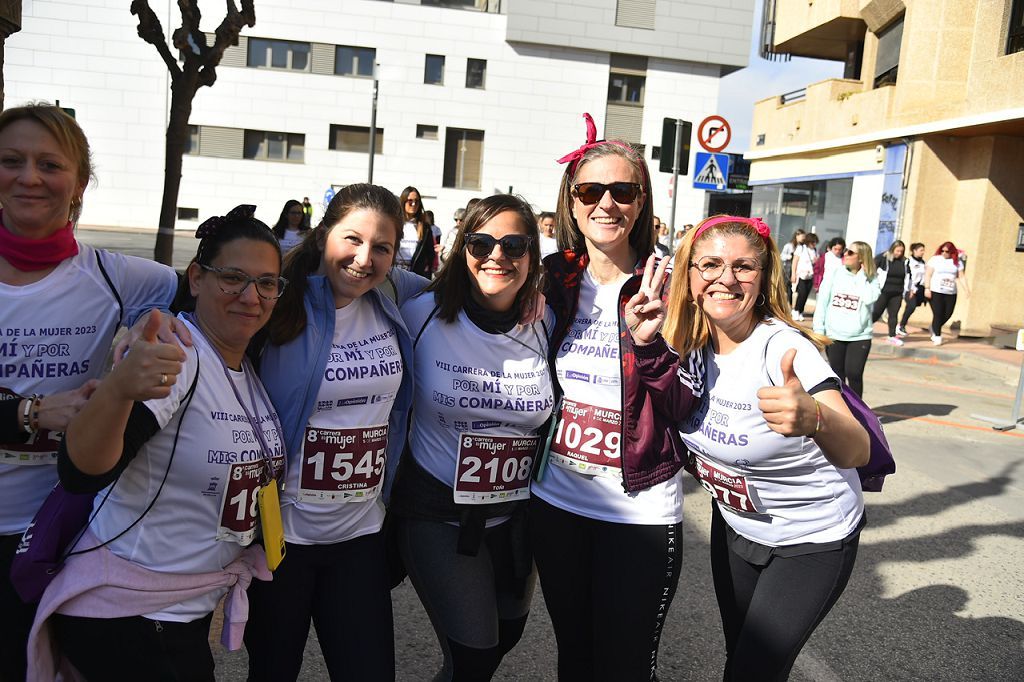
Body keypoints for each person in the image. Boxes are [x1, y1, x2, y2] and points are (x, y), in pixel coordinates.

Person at [33, 206, 287, 680]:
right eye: (233, 278)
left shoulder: (243, 364)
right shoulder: (178, 355)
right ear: (196, 278)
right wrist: (118, 389)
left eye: (267, 283)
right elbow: (84, 471)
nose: (251, 296)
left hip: (178, 613)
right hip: (131, 616)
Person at [0, 103, 180, 681]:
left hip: (67, 530)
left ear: (79, 183)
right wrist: (29, 413)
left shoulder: (122, 277)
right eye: (11, 161)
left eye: (49, 164)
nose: (29, 177)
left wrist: (157, 328)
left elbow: (222, 291)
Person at [656, 215, 869, 681]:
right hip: (735, 528)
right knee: (743, 658)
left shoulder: (783, 349)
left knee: (752, 671)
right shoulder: (688, 347)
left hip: (810, 540)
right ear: (689, 275)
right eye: (709, 264)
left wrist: (814, 416)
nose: (726, 279)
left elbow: (858, 449)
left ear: (764, 276)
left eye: (743, 267)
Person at [530, 113, 691, 680]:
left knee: (624, 666)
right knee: (574, 657)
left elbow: (689, 406)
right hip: (558, 505)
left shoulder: (672, 285)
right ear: (571, 204)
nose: (607, 204)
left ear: (642, 201)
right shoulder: (550, 278)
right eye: (591, 191)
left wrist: (651, 346)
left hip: (640, 511)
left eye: (623, 191)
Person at [243, 184, 425, 681]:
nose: (365, 259)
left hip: (360, 535)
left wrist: (531, 300)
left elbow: (462, 292)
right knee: (273, 670)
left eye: (382, 247)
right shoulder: (277, 299)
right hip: (283, 538)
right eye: (352, 240)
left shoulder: (394, 294)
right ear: (324, 234)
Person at [391, 193, 553, 681]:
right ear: (463, 248)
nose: (497, 256)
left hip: (514, 516)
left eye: (514, 245)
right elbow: (350, 272)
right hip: (436, 511)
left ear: (531, 255)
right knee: (474, 655)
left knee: (504, 639)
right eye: (481, 243)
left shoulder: (546, 318)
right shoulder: (419, 313)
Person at [814, 241, 883, 397]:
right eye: (845, 251)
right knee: (837, 376)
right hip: (834, 334)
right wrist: (819, 330)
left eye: (851, 252)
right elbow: (822, 303)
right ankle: (843, 414)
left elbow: (869, 298)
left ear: (861, 258)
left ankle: (859, 415)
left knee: (854, 374)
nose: (845, 254)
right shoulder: (834, 273)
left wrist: (862, 277)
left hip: (860, 336)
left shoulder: (871, 278)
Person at [924, 240, 970, 346]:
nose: (944, 253)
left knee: (948, 313)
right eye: (942, 251)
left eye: (947, 251)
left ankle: (934, 327)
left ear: (952, 252)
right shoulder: (935, 260)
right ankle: (937, 336)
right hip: (936, 291)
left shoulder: (957, 262)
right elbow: (928, 274)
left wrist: (966, 289)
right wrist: (927, 288)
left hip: (951, 292)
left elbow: (961, 276)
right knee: (938, 313)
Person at [872, 240, 909, 346]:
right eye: (897, 251)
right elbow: (872, 268)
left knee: (893, 314)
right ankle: (862, 329)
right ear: (892, 249)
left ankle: (892, 336)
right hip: (884, 291)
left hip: (897, 293)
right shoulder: (883, 258)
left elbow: (908, 275)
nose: (899, 253)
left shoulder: (905, 261)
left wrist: (909, 289)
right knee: (876, 313)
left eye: (901, 251)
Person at [396, 186, 436, 278]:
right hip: (394, 271)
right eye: (410, 201)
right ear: (403, 201)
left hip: (415, 273)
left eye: (417, 201)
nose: (414, 204)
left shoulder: (424, 227)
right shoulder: (395, 223)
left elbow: (430, 253)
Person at [897, 242, 927, 337]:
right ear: (914, 251)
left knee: (911, 307)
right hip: (909, 288)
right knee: (911, 306)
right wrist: (910, 289)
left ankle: (902, 324)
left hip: (919, 288)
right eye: (921, 250)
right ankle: (901, 325)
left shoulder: (923, 263)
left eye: (923, 250)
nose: (923, 252)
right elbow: (907, 276)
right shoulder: (908, 261)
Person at [790, 231, 817, 321]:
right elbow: (795, 262)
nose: (814, 244)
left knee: (806, 295)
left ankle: (800, 311)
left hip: (810, 275)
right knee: (801, 294)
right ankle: (795, 310)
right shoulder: (801, 248)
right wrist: (793, 274)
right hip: (801, 275)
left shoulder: (815, 251)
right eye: (813, 242)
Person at [779, 229, 805, 306]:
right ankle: (785, 304)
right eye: (802, 236)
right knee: (786, 287)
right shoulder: (789, 245)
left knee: (793, 288)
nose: (803, 238)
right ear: (797, 236)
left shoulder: (803, 247)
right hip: (788, 268)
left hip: (798, 269)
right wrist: (790, 256)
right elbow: (782, 256)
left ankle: (790, 305)